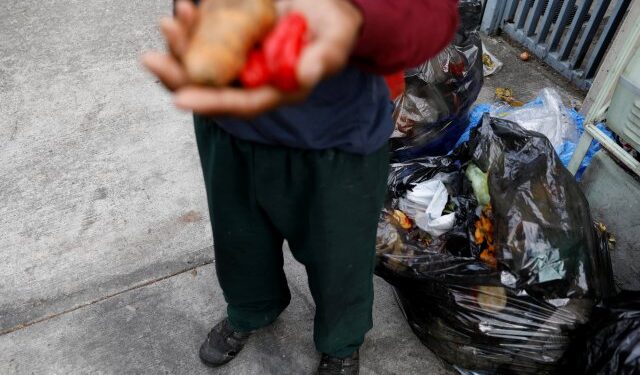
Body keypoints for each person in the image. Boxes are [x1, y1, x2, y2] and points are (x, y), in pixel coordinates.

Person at [143, 0, 458, 373]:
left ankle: (341, 341)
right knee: (239, 239)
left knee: (340, 256)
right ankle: (251, 308)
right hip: (228, 120)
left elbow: (431, 18)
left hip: (337, 136)